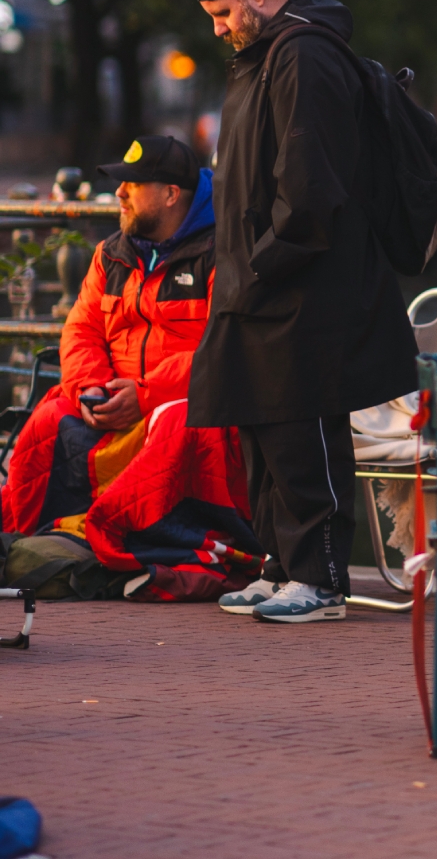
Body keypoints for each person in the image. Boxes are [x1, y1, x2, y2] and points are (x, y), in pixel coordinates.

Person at [186, 0, 417, 622]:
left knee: (301, 421)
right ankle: (281, 563)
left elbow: (311, 189)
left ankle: (319, 579)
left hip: (301, 280)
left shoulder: (304, 55)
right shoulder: (268, 52)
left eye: (224, 11)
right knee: (259, 420)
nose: (219, 28)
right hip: (261, 274)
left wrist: (258, 263)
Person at [1, 136, 263, 602]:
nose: (119, 193)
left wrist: (145, 395)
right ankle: (38, 537)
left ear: (171, 194)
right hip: (118, 399)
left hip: (190, 403)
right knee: (49, 417)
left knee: (173, 424)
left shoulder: (223, 254)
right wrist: (92, 389)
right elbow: (79, 331)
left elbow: (224, 348)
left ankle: (120, 541)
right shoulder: (110, 254)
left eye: (133, 184)